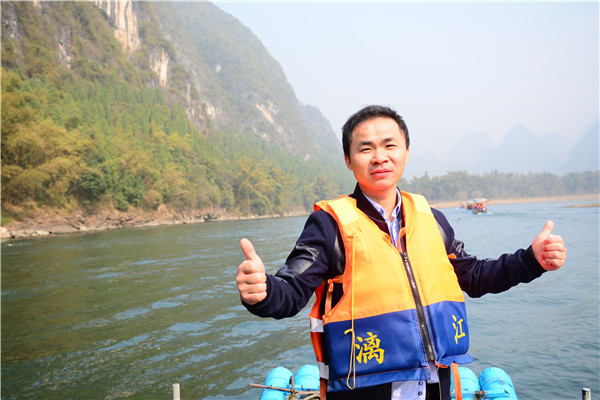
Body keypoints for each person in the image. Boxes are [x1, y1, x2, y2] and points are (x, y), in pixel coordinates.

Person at [236, 105, 566, 400]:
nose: (379, 157)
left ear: (406, 151)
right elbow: (291, 289)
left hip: (435, 386)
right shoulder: (329, 225)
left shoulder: (431, 219)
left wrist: (531, 260)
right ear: (349, 160)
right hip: (364, 390)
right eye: (365, 148)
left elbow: (475, 276)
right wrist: (263, 292)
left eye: (389, 145)